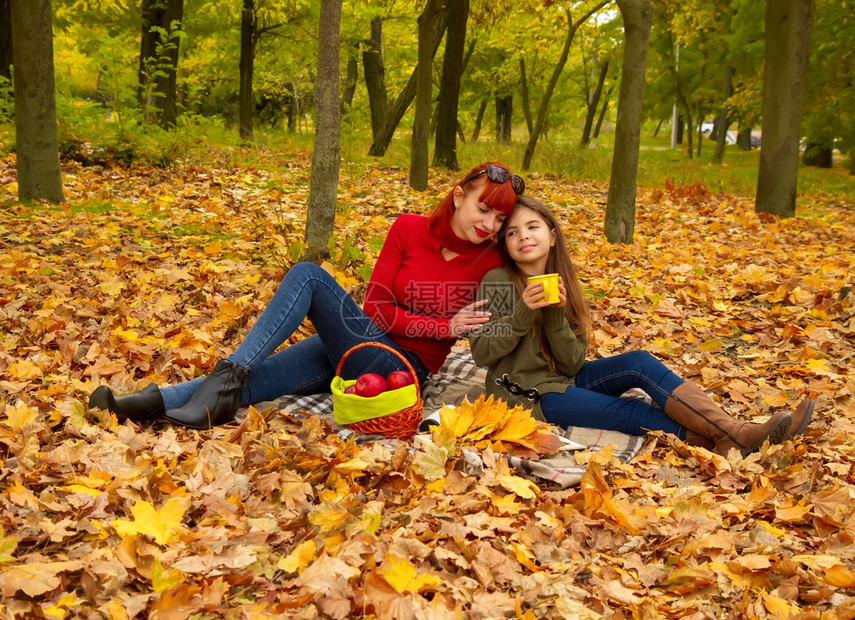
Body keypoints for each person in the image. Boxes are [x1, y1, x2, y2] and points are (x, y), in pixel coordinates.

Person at [89, 162, 526, 429]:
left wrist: (469, 325)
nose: (488, 225)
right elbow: (375, 307)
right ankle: (147, 403)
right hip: (357, 340)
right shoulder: (408, 228)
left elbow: (496, 341)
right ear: (458, 197)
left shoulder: (493, 264)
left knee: (308, 275)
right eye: (482, 209)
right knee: (258, 381)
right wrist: (441, 325)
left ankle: (223, 376)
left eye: (498, 217)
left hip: (403, 370)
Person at [468, 195, 815, 456]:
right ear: (507, 246)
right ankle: (733, 440)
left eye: (532, 227)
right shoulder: (498, 282)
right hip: (528, 395)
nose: (523, 237)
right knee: (634, 410)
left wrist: (555, 313)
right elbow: (484, 354)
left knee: (638, 363)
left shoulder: (564, 284)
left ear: (553, 235)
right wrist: (524, 312)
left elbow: (573, 364)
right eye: (512, 232)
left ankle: (731, 432)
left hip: (564, 378)